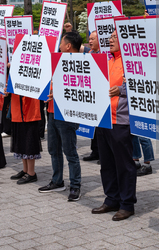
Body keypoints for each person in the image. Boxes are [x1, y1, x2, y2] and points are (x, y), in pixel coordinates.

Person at [91, 30, 137, 221]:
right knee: (107, 163)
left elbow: (140, 83)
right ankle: (111, 199)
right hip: (103, 119)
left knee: (124, 165)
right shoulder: (105, 60)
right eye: (109, 37)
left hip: (121, 120)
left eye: (114, 37)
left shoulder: (131, 61)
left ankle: (127, 204)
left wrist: (121, 89)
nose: (110, 40)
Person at [40, 31, 82, 202]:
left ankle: (75, 186)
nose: (58, 46)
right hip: (51, 111)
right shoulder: (56, 61)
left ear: (68, 45)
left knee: (70, 152)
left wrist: (59, 94)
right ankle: (57, 181)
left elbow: (80, 89)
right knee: (53, 149)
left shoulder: (80, 63)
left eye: (61, 43)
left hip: (67, 114)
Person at [83, 30, 100, 163]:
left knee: (102, 127)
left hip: (101, 94)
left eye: (93, 39)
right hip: (91, 94)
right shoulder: (89, 53)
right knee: (93, 125)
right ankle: (95, 151)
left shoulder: (105, 55)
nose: (90, 41)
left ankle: (103, 153)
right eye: (89, 39)